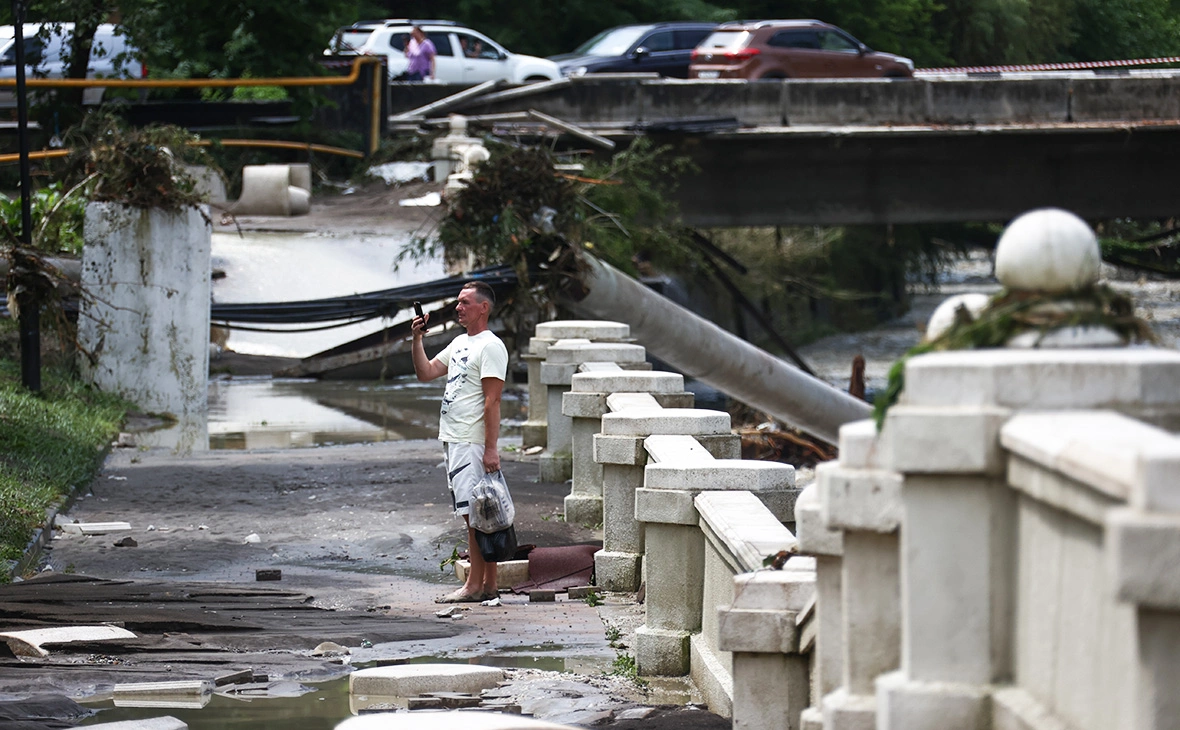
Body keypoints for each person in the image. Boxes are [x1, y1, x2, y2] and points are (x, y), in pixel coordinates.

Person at [411, 282, 508, 603]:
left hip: (471, 440)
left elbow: (492, 401)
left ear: (484, 308)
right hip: (454, 437)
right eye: (457, 302)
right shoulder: (458, 343)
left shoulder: (491, 346)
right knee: (483, 511)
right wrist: (417, 339)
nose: (458, 307)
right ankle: (489, 585)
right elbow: (425, 373)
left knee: (474, 516)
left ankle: (473, 586)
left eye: (465, 302)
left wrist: (491, 447)